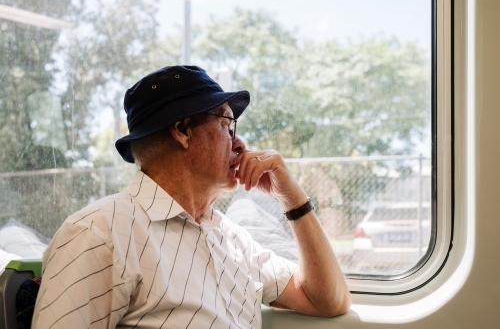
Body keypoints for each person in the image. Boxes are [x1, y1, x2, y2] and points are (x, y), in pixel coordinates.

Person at [32, 65, 350, 328]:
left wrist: (292, 199)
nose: (240, 144)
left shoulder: (231, 239)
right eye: (228, 123)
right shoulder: (99, 235)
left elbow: (327, 300)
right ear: (183, 130)